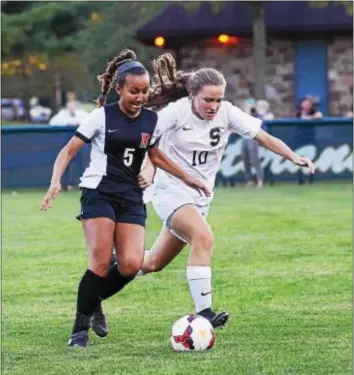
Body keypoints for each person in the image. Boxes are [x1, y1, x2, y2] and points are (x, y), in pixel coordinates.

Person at [97, 53, 315, 332]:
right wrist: (146, 172)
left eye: (218, 99)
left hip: (201, 198)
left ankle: (95, 293)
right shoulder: (175, 112)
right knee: (204, 236)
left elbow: (263, 137)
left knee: (152, 263)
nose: (213, 106)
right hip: (171, 191)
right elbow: (146, 143)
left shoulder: (228, 113)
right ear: (192, 95)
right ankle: (205, 313)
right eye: (207, 100)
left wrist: (293, 156)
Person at [40, 49, 210, 349]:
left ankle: (93, 300)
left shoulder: (150, 120)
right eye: (133, 91)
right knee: (101, 262)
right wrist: (55, 182)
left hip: (131, 196)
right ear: (119, 89)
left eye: (144, 91)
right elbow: (68, 150)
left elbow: (154, 154)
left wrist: (188, 177)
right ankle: (79, 330)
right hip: (99, 192)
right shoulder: (100, 116)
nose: (140, 97)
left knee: (131, 264)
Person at [295, 97, 322, 185]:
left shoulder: (313, 112)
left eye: (308, 103)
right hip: (300, 139)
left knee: (311, 159)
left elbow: (319, 115)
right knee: (299, 159)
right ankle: (301, 180)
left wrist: (308, 118)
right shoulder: (298, 112)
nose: (306, 105)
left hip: (310, 140)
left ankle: (310, 179)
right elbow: (299, 118)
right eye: (305, 103)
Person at [241, 98, 265, 187]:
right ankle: (250, 180)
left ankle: (260, 180)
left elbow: (261, 123)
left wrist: (254, 112)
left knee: (255, 160)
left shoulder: (257, 115)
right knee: (245, 160)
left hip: (253, 138)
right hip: (244, 138)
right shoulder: (242, 114)